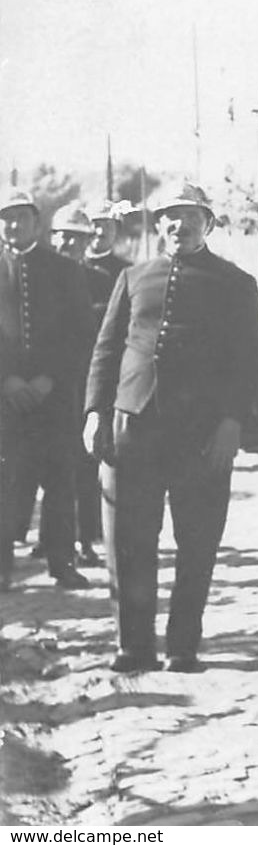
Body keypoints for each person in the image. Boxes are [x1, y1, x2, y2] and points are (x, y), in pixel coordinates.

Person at [84, 183, 258, 673]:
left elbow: (249, 361)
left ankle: (183, 645)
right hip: (133, 425)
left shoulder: (235, 283)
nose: (176, 226)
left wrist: (232, 422)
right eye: (167, 217)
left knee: (197, 542)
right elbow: (106, 350)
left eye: (187, 216)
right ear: (156, 224)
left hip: (201, 433)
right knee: (129, 541)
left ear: (207, 223)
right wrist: (96, 411)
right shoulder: (133, 277)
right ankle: (133, 645)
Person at [0, 190, 93, 591]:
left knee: (60, 480)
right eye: (6, 218)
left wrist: (49, 378)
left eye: (22, 217)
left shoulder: (64, 271)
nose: (14, 225)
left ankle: (61, 563)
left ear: (37, 223)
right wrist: (7, 380)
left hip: (54, 397)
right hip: (5, 399)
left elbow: (81, 335)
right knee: (7, 482)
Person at [50, 204, 114, 566]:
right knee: (52, 468)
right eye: (61, 236)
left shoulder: (101, 281)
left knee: (86, 466)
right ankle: (53, 542)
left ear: (88, 242)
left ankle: (85, 540)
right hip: (50, 387)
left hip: (86, 384)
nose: (67, 244)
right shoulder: (39, 280)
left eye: (76, 238)